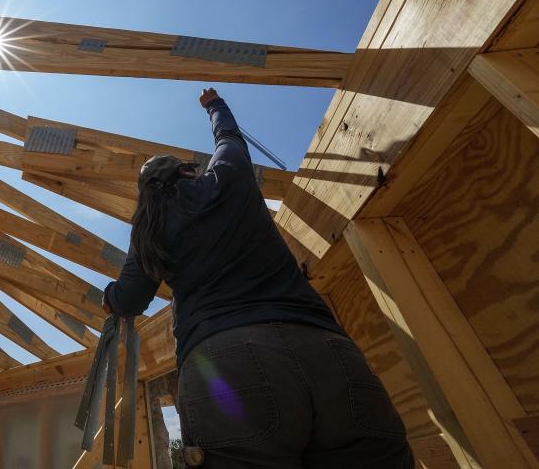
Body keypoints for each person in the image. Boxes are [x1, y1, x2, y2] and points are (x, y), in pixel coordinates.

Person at [102, 88, 413, 468]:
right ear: (188, 170)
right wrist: (214, 105)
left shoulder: (151, 225)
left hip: (227, 366)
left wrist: (110, 299)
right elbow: (229, 137)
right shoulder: (229, 178)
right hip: (324, 349)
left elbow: (131, 298)